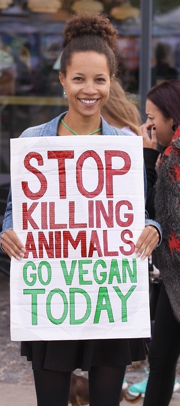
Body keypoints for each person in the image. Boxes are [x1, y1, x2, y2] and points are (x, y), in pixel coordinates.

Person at [0, 13, 161, 406]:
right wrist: (8, 232)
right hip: (54, 293)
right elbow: (14, 210)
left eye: (100, 80)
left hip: (108, 294)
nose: (89, 90)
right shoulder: (33, 140)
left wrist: (152, 227)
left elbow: (141, 208)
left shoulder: (124, 144)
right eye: (79, 79)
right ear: (62, 80)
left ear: (111, 82)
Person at [129, 79, 180, 406]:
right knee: (161, 360)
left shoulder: (171, 158)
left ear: (172, 118)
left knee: (161, 362)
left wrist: (148, 159)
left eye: (152, 118)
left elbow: (156, 214)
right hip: (172, 278)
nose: (147, 125)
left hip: (175, 276)